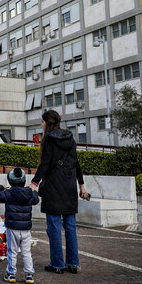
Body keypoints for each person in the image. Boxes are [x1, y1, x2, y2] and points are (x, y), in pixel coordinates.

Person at [30, 110, 89, 275]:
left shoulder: (49, 139)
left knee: (54, 227)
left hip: (53, 187)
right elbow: (76, 163)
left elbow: (45, 163)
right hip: (70, 186)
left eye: (42, 122)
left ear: (47, 122)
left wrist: (34, 183)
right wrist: (82, 186)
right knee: (70, 226)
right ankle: (73, 263)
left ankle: (57, 263)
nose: (41, 125)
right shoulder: (70, 138)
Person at [0, 168, 40, 283]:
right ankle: (29, 274)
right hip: (26, 228)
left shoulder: (9, 193)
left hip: (12, 227)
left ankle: (11, 274)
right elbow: (36, 199)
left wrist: (0, 187)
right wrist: (31, 190)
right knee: (26, 252)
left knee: (12, 251)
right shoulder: (29, 193)